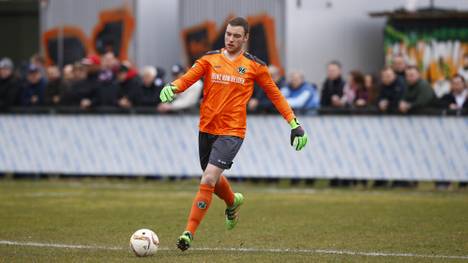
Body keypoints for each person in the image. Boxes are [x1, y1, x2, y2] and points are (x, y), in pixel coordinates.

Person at [158, 17, 308, 251]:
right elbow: (188, 78)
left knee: (208, 178)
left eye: (236, 36)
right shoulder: (209, 59)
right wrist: (172, 87)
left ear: (245, 38)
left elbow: (275, 95)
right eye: (228, 34)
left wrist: (294, 124)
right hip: (206, 129)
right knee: (213, 180)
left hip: (232, 131)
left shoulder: (254, 66)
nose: (231, 39)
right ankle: (232, 202)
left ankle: (188, 233)